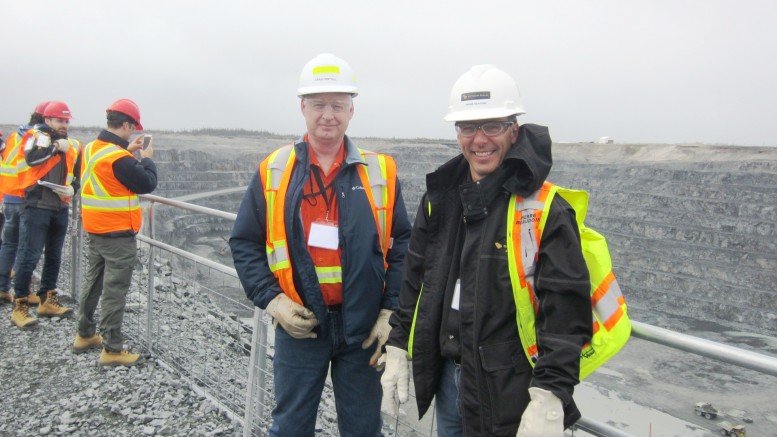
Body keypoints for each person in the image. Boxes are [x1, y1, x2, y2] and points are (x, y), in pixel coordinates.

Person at [381, 65, 594, 436]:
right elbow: (416, 276)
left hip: (511, 391)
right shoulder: (441, 197)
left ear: (514, 130)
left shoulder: (544, 210)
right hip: (450, 379)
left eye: (491, 126)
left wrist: (550, 393)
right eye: (467, 128)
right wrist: (399, 344)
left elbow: (565, 311)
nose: (479, 140)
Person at [230, 53, 411, 437]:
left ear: (351, 110)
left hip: (363, 328)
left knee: (363, 429)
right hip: (301, 326)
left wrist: (390, 310)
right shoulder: (274, 170)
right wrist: (273, 300)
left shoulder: (381, 172)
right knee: (291, 427)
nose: (328, 114)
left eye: (337, 105)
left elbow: (404, 244)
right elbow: (244, 241)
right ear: (302, 108)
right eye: (318, 105)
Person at [73, 98, 156, 366]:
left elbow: (103, 176)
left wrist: (126, 150)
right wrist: (146, 159)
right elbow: (146, 183)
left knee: (93, 282)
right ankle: (112, 348)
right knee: (114, 291)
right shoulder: (118, 158)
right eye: (132, 128)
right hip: (117, 234)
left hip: (95, 229)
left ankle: (84, 334)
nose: (133, 133)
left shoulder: (91, 149)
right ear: (127, 124)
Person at [10, 101, 82, 329]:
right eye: (59, 120)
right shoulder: (37, 136)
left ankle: (47, 299)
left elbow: (76, 174)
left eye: (66, 121)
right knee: (30, 255)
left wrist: (73, 188)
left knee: (54, 255)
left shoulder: (72, 145)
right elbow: (32, 158)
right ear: (48, 120)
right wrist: (54, 147)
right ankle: (20, 305)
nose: (64, 124)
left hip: (60, 206)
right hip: (37, 204)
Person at [0, 102, 49, 307]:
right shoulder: (37, 138)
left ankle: (2, 289)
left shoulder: (14, 135)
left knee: (9, 244)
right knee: (25, 247)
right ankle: (25, 292)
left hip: (8, 196)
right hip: (24, 197)